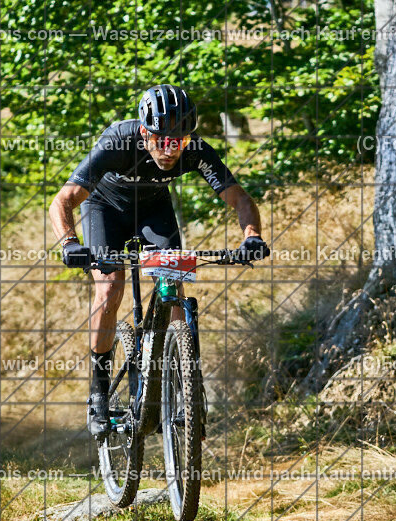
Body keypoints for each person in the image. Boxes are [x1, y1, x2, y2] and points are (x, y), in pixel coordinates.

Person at [49, 84, 270, 436]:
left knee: (173, 286)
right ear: (143, 131)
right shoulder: (117, 143)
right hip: (104, 209)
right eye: (162, 140)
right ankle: (99, 393)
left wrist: (252, 236)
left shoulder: (193, 149)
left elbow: (240, 199)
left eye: (179, 141)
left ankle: (185, 388)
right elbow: (62, 200)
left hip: (153, 209)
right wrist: (70, 243)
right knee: (109, 289)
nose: (170, 150)